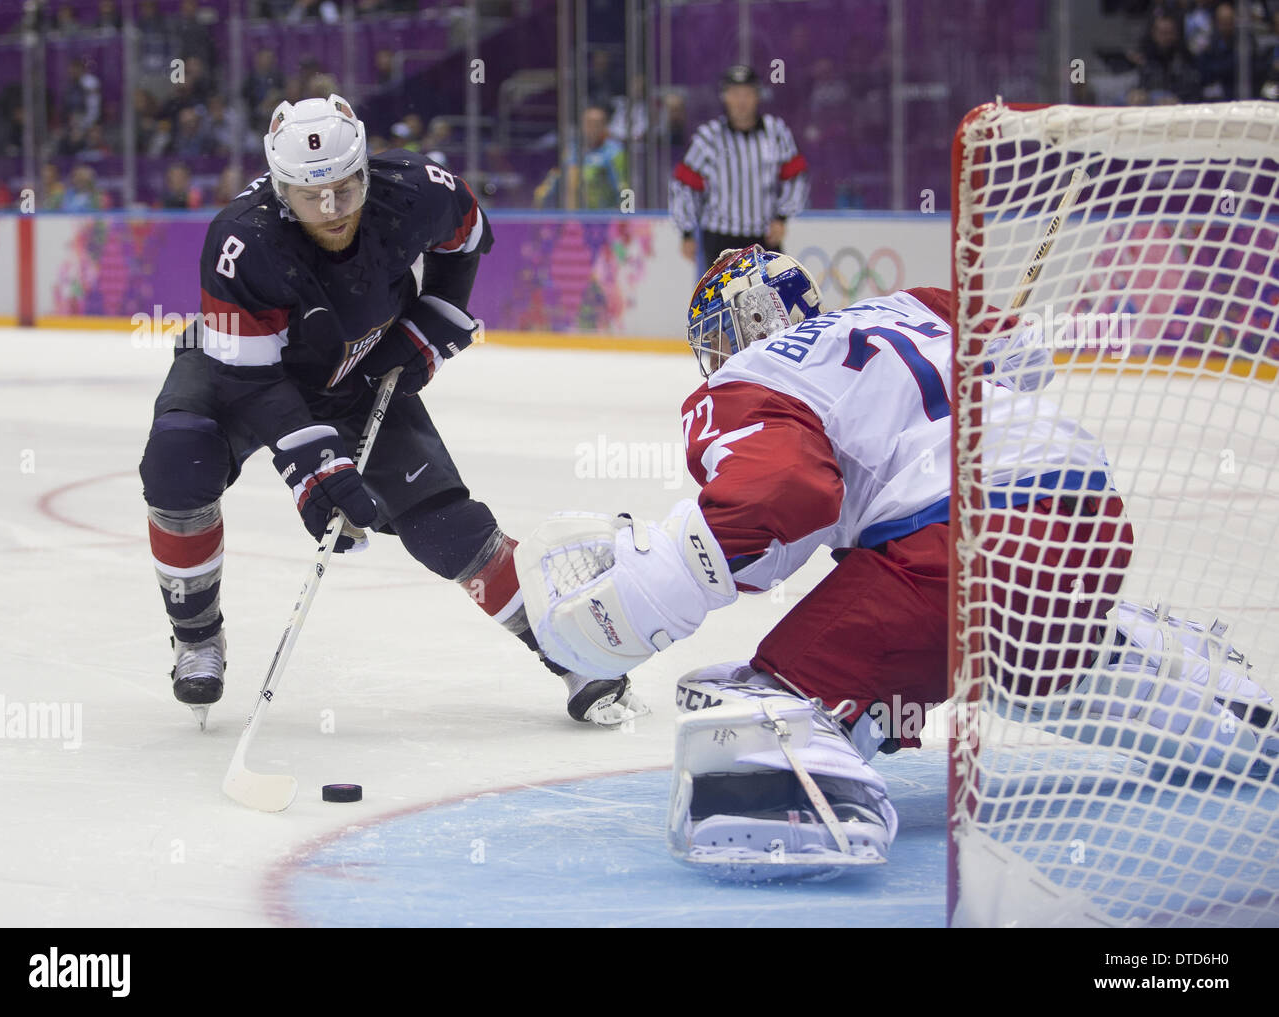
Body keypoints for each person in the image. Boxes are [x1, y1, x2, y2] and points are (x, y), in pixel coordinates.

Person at [517, 245, 1278, 878]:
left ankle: (807, 799)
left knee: (753, 705)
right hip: (1088, 515)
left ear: (737, 327)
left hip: (959, 542)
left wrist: (641, 596)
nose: (711, 359)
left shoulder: (748, 378)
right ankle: (1212, 707)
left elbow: (783, 497)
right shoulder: (916, 305)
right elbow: (1026, 360)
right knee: (1018, 666)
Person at [139, 94, 643, 729]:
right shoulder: (242, 239)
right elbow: (253, 382)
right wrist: (315, 469)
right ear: (279, 186)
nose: (331, 212)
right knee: (178, 462)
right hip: (236, 370)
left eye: (346, 191)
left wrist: (436, 319)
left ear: (365, 171)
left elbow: (467, 233)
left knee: (445, 527)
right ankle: (196, 636)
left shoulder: (415, 190)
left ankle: (569, 652)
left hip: (354, 367)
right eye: (310, 197)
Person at [668, 65, 808, 268]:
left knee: (771, 298)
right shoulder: (709, 137)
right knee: (722, 299)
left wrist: (782, 217)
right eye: (734, 94)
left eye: (747, 94)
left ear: (757, 96)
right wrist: (687, 232)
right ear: (725, 97)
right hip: (720, 239)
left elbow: (796, 176)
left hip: (764, 238)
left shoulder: (776, 132)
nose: (741, 101)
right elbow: (684, 185)